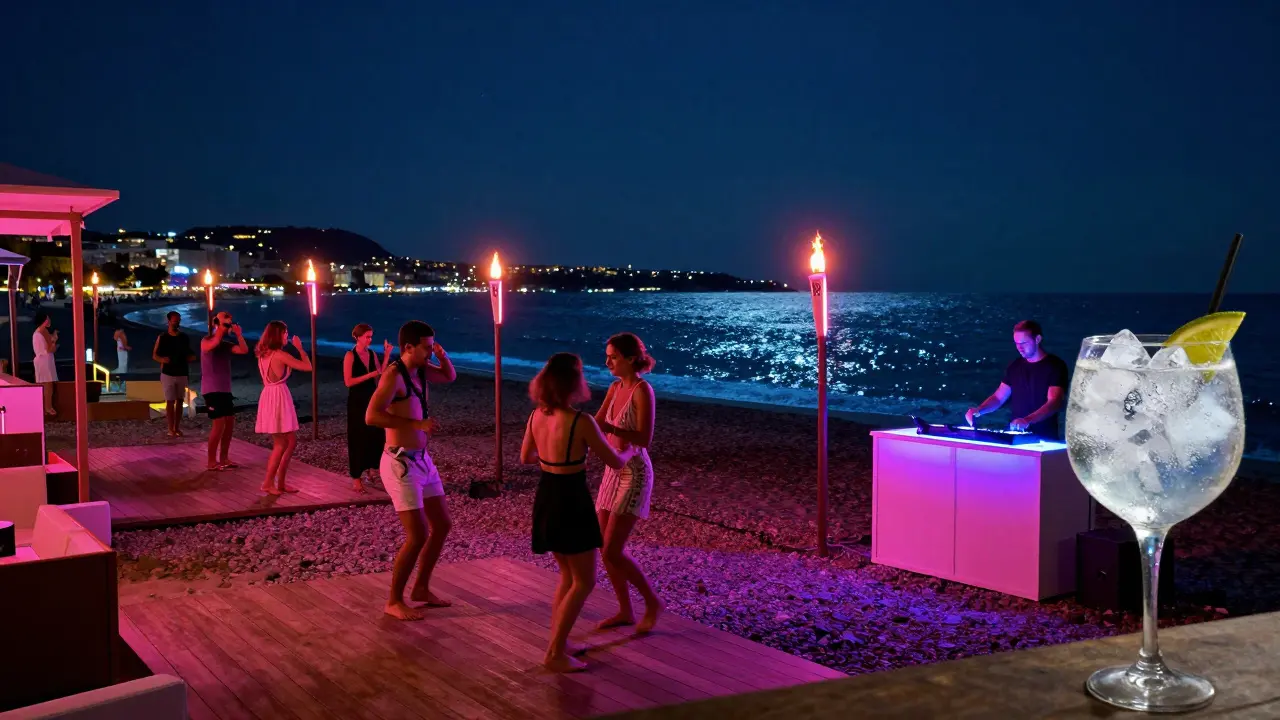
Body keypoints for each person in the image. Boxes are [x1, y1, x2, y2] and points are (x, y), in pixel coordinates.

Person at [521, 353, 637, 673]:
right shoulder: (580, 421)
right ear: (573, 382)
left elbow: (525, 457)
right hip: (571, 498)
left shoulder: (536, 417)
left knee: (567, 576)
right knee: (584, 581)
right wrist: (630, 448)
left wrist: (551, 457)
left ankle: (560, 641)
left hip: (547, 494)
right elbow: (614, 461)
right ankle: (555, 653)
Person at [366, 321, 457, 621]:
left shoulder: (422, 370)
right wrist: (416, 425)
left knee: (442, 525)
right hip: (399, 462)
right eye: (427, 347)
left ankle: (421, 588)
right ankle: (393, 600)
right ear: (408, 347)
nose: (431, 352)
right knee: (417, 535)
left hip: (423, 460)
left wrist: (442, 356)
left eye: (433, 346)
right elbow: (372, 416)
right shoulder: (394, 376)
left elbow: (449, 376)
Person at [594, 332, 663, 633]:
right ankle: (625, 610)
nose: (607, 361)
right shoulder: (614, 387)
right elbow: (596, 423)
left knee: (612, 550)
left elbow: (645, 438)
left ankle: (652, 602)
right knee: (603, 547)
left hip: (634, 472)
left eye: (613, 356)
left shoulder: (641, 390)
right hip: (612, 470)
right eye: (607, 356)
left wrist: (610, 427)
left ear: (631, 358)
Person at [966, 319, 1071, 438]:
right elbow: (998, 398)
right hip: (1017, 437)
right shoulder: (1014, 366)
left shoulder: (1055, 366)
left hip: (1044, 438)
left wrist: (1027, 420)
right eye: (1017, 343)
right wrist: (979, 410)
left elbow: (1054, 402)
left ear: (1037, 339)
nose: (1020, 348)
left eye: (1024, 343)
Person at [254, 320, 312, 494]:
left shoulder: (263, 354)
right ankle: (268, 482)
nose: (287, 335)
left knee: (290, 441)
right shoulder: (280, 355)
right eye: (285, 333)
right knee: (280, 443)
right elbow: (307, 367)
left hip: (269, 395)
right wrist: (300, 348)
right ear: (278, 335)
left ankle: (280, 482)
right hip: (278, 396)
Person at [344, 323, 392, 493]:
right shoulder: (350, 355)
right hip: (357, 399)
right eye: (366, 337)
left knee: (376, 434)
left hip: (372, 397)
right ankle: (356, 478)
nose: (369, 340)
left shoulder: (371, 353)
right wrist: (370, 375)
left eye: (371, 336)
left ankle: (372, 468)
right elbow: (348, 381)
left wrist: (386, 354)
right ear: (357, 337)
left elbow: (380, 374)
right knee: (357, 437)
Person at [201, 311, 250, 469]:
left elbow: (244, 350)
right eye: (225, 324)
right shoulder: (206, 340)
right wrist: (220, 329)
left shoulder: (226, 345)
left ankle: (224, 458)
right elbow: (212, 346)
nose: (228, 327)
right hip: (211, 389)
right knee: (219, 424)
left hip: (225, 389)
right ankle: (211, 461)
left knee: (229, 423)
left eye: (230, 324)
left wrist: (239, 335)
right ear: (216, 324)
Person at [153, 312, 195, 437]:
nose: (177, 322)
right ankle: (170, 428)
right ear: (169, 321)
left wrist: (191, 358)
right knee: (170, 402)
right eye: (175, 320)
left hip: (182, 372)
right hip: (168, 373)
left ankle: (177, 427)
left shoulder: (184, 337)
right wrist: (162, 360)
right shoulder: (163, 337)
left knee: (180, 401)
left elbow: (190, 354)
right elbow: (154, 355)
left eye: (178, 320)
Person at [32, 311, 57, 416]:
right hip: (44, 361)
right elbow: (50, 348)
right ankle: (48, 407)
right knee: (47, 385)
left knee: (44, 385)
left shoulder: (39, 331)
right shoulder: (42, 331)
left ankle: (44, 408)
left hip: (43, 360)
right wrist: (54, 341)